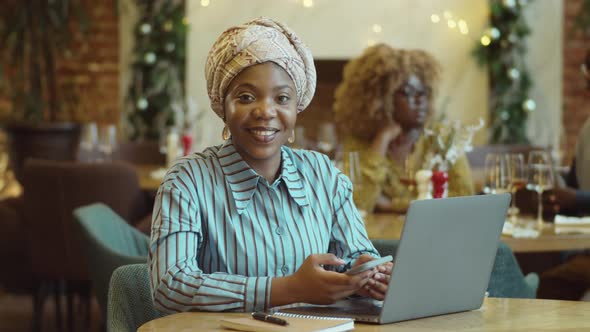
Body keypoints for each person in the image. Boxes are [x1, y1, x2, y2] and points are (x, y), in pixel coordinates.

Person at [149, 18, 392, 314]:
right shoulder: (187, 180)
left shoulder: (323, 174)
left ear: (296, 108)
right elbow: (169, 286)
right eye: (246, 97)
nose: (265, 111)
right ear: (223, 107)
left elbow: (356, 254)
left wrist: (365, 273)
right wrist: (287, 289)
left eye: (282, 98)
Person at [333, 44, 474, 213]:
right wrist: (382, 140)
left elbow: (465, 197)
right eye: (408, 92)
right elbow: (357, 205)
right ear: (381, 98)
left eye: (423, 92)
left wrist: (392, 205)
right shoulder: (360, 142)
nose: (419, 100)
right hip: (378, 238)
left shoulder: (442, 138)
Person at [537, 49, 590, 301]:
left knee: (551, 284)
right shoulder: (588, 129)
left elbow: (578, 195)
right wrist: (555, 200)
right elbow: (574, 183)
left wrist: (577, 198)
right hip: (582, 246)